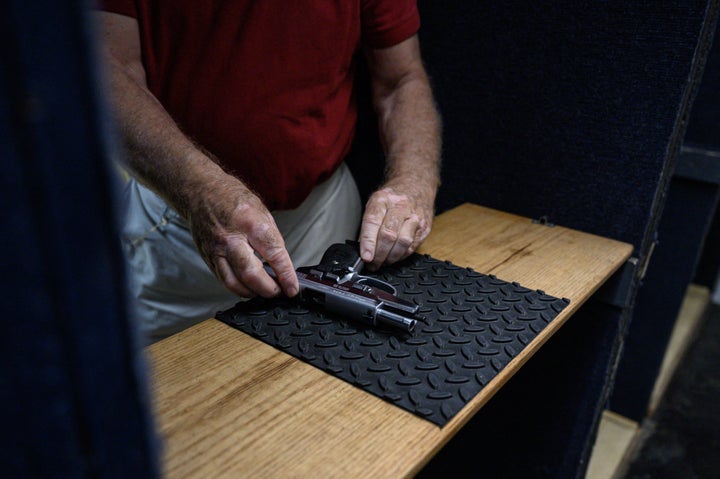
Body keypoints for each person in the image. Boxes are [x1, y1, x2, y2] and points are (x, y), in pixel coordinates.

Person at [94, 1, 442, 343]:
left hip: (323, 223)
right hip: (179, 234)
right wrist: (200, 191)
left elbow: (401, 80)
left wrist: (414, 180)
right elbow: (106, 71)